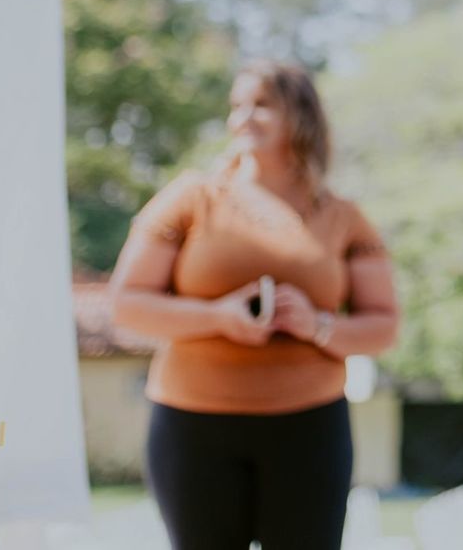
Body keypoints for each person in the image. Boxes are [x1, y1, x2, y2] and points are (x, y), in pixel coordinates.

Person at [107, 60, 400, 550]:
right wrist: (217, 317)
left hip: (309, 428)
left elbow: (384, 327)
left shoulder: (345, 217)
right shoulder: (189, 197)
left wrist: (317, 325)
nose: (242, 117)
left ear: (301, 116)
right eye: (236, 106)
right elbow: (126, 306)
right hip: (192, 426)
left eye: (261, 105)